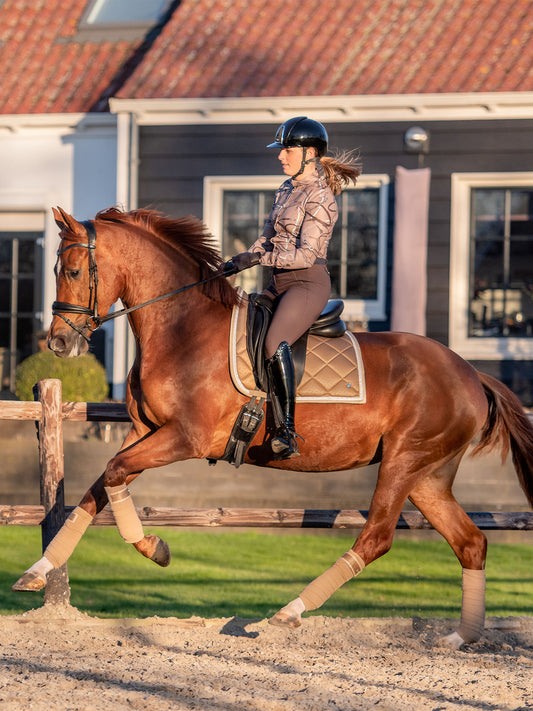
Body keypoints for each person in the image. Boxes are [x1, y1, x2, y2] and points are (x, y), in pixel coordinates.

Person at [224, 116, 361, 458]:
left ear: (310, 153)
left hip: (306, 284)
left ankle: (286, 431)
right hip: (277, 282)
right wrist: (242, 257)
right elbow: (268, 236)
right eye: (281, 150)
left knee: (274, 341)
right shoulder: (285, 189)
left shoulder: (321, 198)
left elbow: (306, 254)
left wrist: (259, 260)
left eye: (287, 150)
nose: (280, 157)